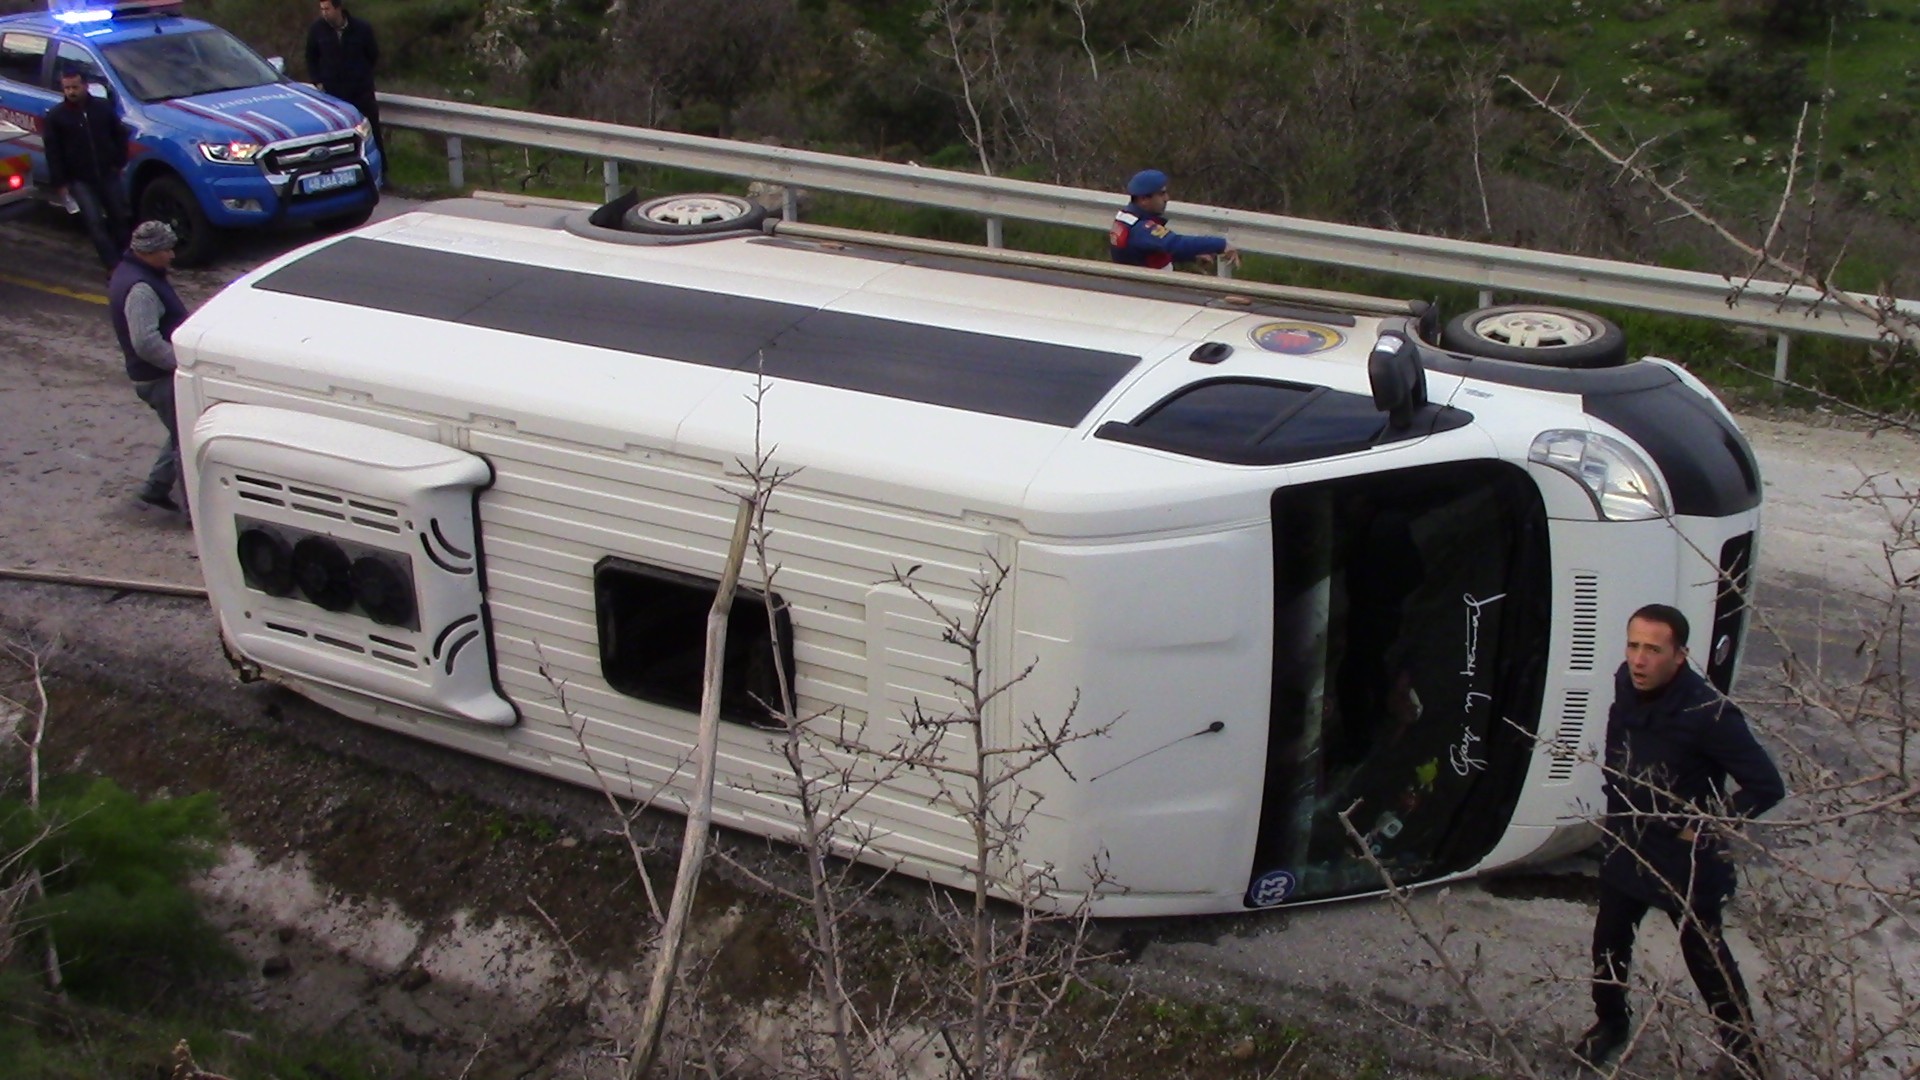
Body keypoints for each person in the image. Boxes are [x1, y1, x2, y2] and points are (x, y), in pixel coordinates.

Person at [1573, 604, 1784, 1079]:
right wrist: (1615, 816)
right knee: (1608, 942)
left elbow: (1766, 786)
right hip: (1629, 844)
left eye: (1653, 649)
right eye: (1633, 645)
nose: (1639, 660)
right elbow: (1618, 757)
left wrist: (1707, 824)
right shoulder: (1626, 687)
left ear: (1680, 655)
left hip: (1683, 859)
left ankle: (1742, 1052)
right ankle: (1610, 1023)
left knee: (1706, 957)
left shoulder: (1708, 713)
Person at [111, 221, 191, 514]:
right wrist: (181, 362)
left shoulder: (130, 273)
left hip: (153, 377)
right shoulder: (141, 289)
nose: (172, 255)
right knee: (187, 440)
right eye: (167, 250)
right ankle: (194, 513)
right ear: (150, 252)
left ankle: (155, 489)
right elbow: (145, 342)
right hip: (159, 378)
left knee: (181, 428)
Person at [43, 68, 131, 269]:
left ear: (85, 85)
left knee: (119, 218)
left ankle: (128, 261)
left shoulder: (102, 109)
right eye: (67, 88)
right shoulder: (57, 117)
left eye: (75, 87)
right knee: (95, 223)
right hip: (79, 179)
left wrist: (119, 162)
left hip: (108, 173)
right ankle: (113, 266)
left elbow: (119, 135)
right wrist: (60, 182)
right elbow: (53, 151)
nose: (71, 92)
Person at [1109, 169, 1239, 271]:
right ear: (1143, 199)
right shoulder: (1141, 228)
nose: (1167, 198)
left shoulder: (1127, 218)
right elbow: (1175, 244)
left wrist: (1191, 256)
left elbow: (1151, 250)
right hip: (1151, 291)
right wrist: (1220, 244)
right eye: (1161, 194)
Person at [305, 0, 382, 162]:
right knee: (339, 137)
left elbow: (373, 54)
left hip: (361, 92)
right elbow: (311, 57)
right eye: (322, 9)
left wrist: (362, 75)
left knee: (372, 133)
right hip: (334, 94)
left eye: (327, 9)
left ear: (338, 8)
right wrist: (318, 81)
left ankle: (381, 171)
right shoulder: (317, 30)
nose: (324, 13)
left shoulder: (361, 29)